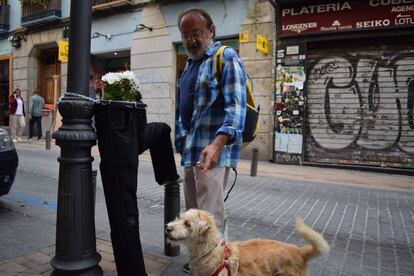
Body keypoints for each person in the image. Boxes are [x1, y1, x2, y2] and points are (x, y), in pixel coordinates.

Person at [175, 7, 247, 266]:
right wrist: (181, 141)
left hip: (212, 153)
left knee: (210, 216)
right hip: (192, 152)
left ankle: (218, 266)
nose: (190, 40)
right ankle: (199, 262)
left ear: (211, 31)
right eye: (185, 35)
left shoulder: (225, 56)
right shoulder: (190, 66)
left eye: (196, 33)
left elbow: (236, 108)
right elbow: (184, 108)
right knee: (194, 217)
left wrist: (217, 145)